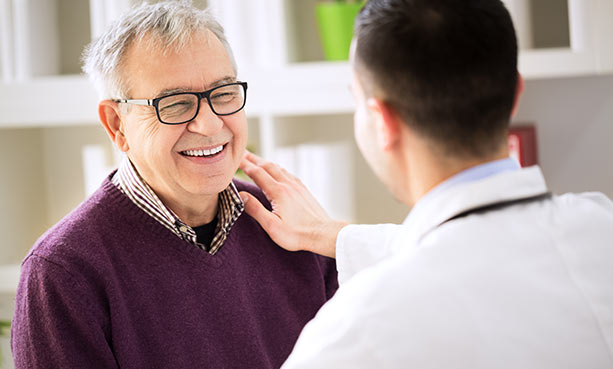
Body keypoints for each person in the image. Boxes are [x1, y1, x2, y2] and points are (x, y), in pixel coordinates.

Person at [239, 0, 613, 368]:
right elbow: (479, 251)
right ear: (516, 94)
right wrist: (334, 235)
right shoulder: (599, 223)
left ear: (381, 120)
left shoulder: (357, 333)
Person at [11, 2, 337, 368]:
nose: (211, 125)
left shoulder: (293, 227)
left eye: (224, 93)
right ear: (117, 125)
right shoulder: (62, 272)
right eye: (177, 103)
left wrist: (333, 238)